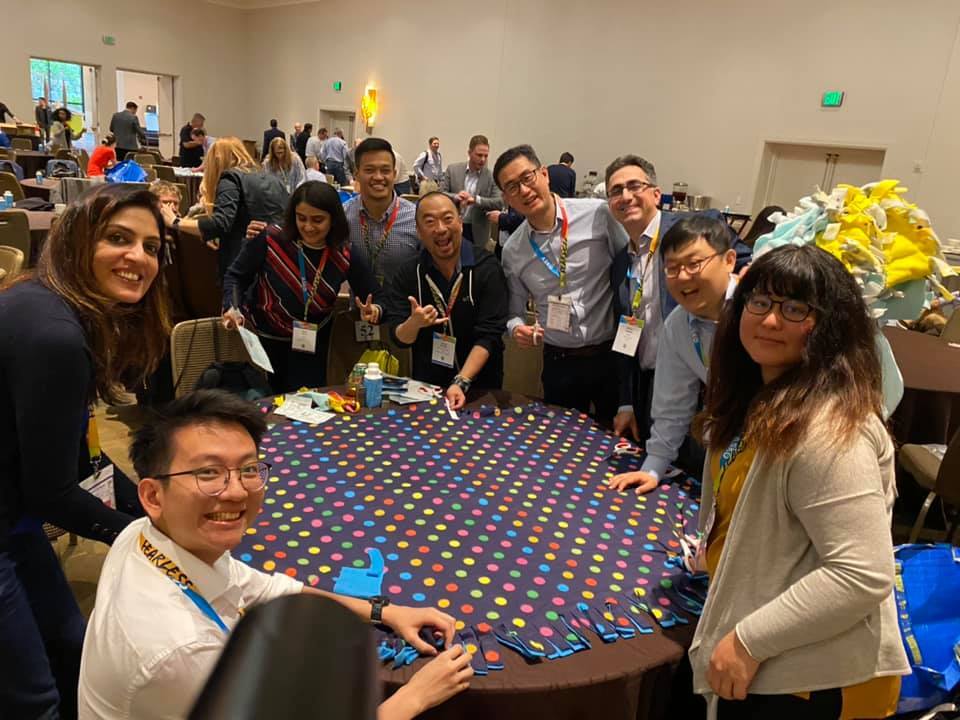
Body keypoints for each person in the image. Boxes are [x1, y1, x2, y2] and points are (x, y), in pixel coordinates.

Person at [78, 389, 474, 720]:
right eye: (208, 473)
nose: (235, 491)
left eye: (248, 469)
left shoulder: (142, 535)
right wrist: (412, 698)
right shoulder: (180, 650)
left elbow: (262, 587)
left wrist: (383, 611)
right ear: (152, 495)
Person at [688, 244, 909, 719]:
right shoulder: (763, 398)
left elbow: (860, 574)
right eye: (760, 302)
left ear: (831, 324)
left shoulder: (829, 429)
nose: (770, 321)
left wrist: (747, 641)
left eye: (795, 309)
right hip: (776, 654)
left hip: (815, 679)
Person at [0, 183, 171, 718]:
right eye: (118, 238)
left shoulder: (49, 303)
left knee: (72, 647)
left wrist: (152, 506)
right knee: (35, 697)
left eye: (150, 247)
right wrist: (147, 536)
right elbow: (52, 492)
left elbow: (82, 457)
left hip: (16, 519)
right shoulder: (56, 336)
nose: (137, 258)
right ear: (79, 239)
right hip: (12, 518)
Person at [606, 156, 751, 448]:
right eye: (616, 191)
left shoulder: (694, 230)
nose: (625, 196)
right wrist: (626, 403)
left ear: (656, 194)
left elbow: (748, 262)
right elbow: (624, 330)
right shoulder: (621, 260)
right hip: (652, 386)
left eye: (634, 185)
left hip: (706, 383)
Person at [495, 144, 628, 421]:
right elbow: (513, 313)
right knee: (561, 448)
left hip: (610, 357)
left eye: (527, 178)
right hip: (559, 362)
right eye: (512, 187)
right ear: (506, 197)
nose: (524, 191)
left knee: (619, 444)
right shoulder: (514, 250)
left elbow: (629, 266)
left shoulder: (598, 215)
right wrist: (517, 328)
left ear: (544, 174)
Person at [607, 214, 738, 494]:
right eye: (672, 268)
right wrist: (653, 466)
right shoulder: (678, 324)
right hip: (722, 448)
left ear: (729, 260)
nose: (683, 276)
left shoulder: (758, 311)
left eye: (694, 264)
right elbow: (673, 403)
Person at [222, 181, 382, 392]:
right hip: (264, 340)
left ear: (333, 219)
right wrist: (232, 306)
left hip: (314, 346)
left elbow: (375, 296)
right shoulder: (271, 239)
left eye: (318, 220)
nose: (308, 227)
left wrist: (375, 310)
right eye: (301, 218)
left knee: (307, 407)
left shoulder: (345, 254)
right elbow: (236, 275)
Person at [384, 192, 508, 408]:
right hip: (427, 387)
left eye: (448, 218)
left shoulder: (486, 268)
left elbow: (490, 336)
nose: (440, 228)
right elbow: (399, 338)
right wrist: (413, 324)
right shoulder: (409, 272)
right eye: (429, 222)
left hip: (480, 387)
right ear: (419, 232)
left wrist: (461, 382)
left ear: (460, 223)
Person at [159, 137, 287, 280]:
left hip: (242, 268)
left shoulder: (230, 178)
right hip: (277, 262)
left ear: (217, 160)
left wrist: (175, 221)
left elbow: (220, 223)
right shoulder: (275, 180)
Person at [343, 138, 420, 285]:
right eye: (369, 170)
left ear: (394, 174)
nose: (378, 177)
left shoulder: (415, 218)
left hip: (405, 307)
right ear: (356, 174)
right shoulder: (344, 217)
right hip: (360, 306)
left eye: (385, 170)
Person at [440, 135, 502, 247]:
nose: (483, 159)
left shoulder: (491, 176)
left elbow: (498, 202)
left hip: (477, 232)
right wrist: (456, 197)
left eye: (486, 156)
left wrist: (476, 200)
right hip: (452, 225)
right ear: (469, 153)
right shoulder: (452, 170)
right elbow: (440, 195)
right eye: (479, 155)